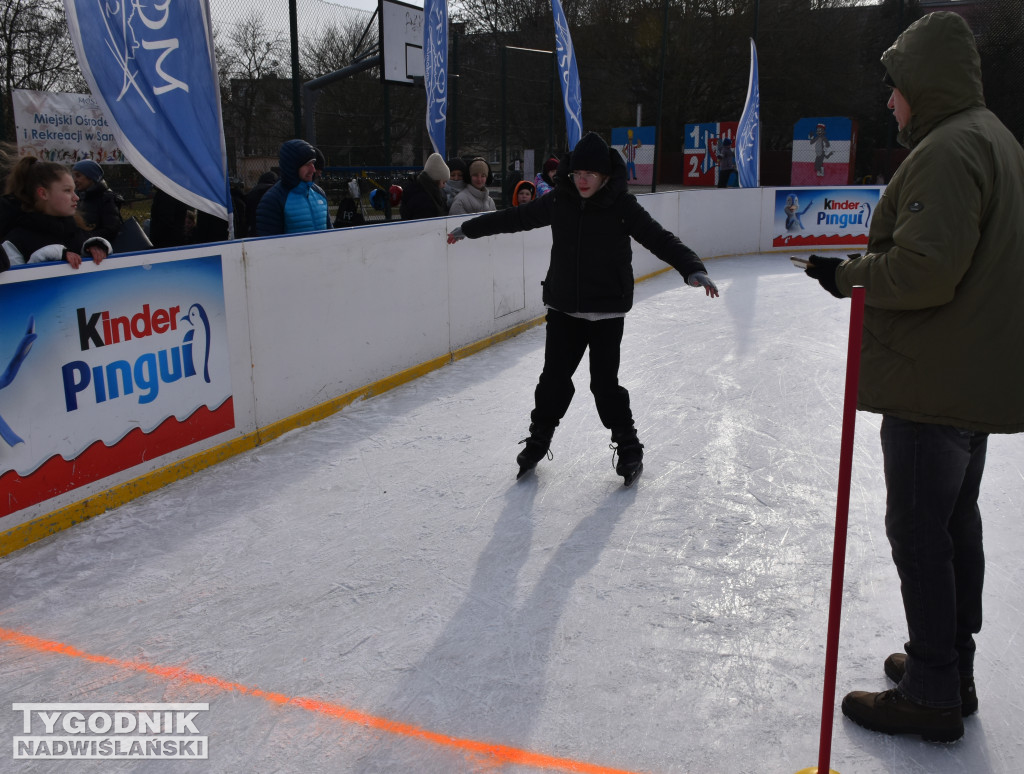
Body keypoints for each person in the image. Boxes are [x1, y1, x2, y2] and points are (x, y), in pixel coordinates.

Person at [802, 11, 1024, 744]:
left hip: (937, 378)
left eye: (896, 88)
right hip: (968, 377)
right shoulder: (995, 140)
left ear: (922, 85)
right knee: (953, 525)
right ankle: (948, 668)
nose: (890, 102)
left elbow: (926, 270)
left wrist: (846, 277)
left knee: (921, 532)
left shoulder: (947, 149)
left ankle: (933, 690)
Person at [446, 131, 719, 484]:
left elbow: (659, 237)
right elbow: (515, 218)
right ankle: (539, 438)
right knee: (553, 380)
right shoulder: (560, 201)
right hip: (564, 309)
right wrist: (470, 228)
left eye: (590, 173)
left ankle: (629, 446)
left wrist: (692, 267)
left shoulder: (622, 205)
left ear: (605, 174)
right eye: (577, 173)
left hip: (606, 312)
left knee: (604, 386)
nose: (583, 180)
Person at [1, 156, 110, 270]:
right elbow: (15, 285)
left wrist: (96, 246)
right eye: (67, 190)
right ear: (43, 193)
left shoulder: (75, 230)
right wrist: (49, 257)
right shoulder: (14, 241)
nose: (76, 197)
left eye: (74, 190)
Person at [254, 139, 331, 236]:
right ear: (292, 166)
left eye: (313, 163)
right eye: (307, 164)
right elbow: (269, 246)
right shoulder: (273, 200)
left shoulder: (320, 194)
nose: (313, 169)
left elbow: (330, 235)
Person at [71, 159, 123, 245]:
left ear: (91, 177)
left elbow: (111, 229)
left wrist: (85, 238)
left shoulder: (106, 199)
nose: (75, 180)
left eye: (78, 176)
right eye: (74, 176)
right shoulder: (78, 196)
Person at [399, 153, 450, 220]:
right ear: (436, 180)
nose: (444, 186)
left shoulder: (417, 189)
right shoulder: (425, 201)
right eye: (443, 182)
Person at [245, 171, 278, 236]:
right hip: (273, 230)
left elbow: (247, 215)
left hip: (255, 230)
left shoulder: (252, 192)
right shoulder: (276, 192)